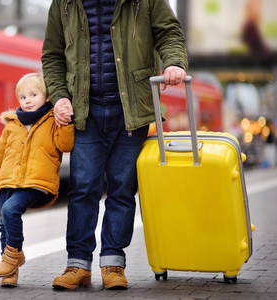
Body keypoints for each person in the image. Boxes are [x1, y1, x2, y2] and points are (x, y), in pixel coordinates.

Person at [41, 0, 188, 290]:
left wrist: (173, 62)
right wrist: (59, 96)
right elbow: (53, 55)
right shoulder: (63, 3)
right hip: (84, 111)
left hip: (131, 109)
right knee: (83, 189)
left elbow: (169, 33)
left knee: (122, 189)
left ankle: (113, 263)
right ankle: (78, 265)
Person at [0, 73, 74, 287]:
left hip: (36, 182)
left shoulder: (53, 120)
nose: (28, 100)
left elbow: (65, 146)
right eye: (23, 97)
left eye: (33, 94)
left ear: (47, 95)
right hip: (7, 182)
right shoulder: (12, 124)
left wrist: (66, 122)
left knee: (11, 210)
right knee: (5, 224)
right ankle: (10, 273)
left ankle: (14, 255)